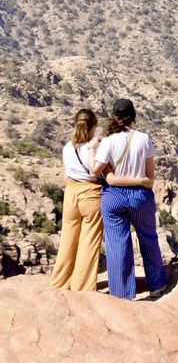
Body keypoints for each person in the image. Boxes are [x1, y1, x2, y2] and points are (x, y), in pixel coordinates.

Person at [92, 98, 167, 299]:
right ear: (133, 116)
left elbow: (94, 171)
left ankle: (121, 293)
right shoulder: (143, 139)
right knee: (148, 238)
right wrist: (139, 181)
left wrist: (108, 169)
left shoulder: (107, 141)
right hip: (140, 196)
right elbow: (150, 178)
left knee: (117, 243)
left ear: (114, 117)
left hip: (113, 196)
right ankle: (157, 285)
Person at [50, 109, 104, 291]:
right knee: (89, 241)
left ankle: (60, 283)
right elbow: (96, 171)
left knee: (67, 239)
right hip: (91, 193)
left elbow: (66, 176)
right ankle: (82, 288)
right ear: (94, 125)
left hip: (71, 193)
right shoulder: (94, 147)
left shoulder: (67, 147)